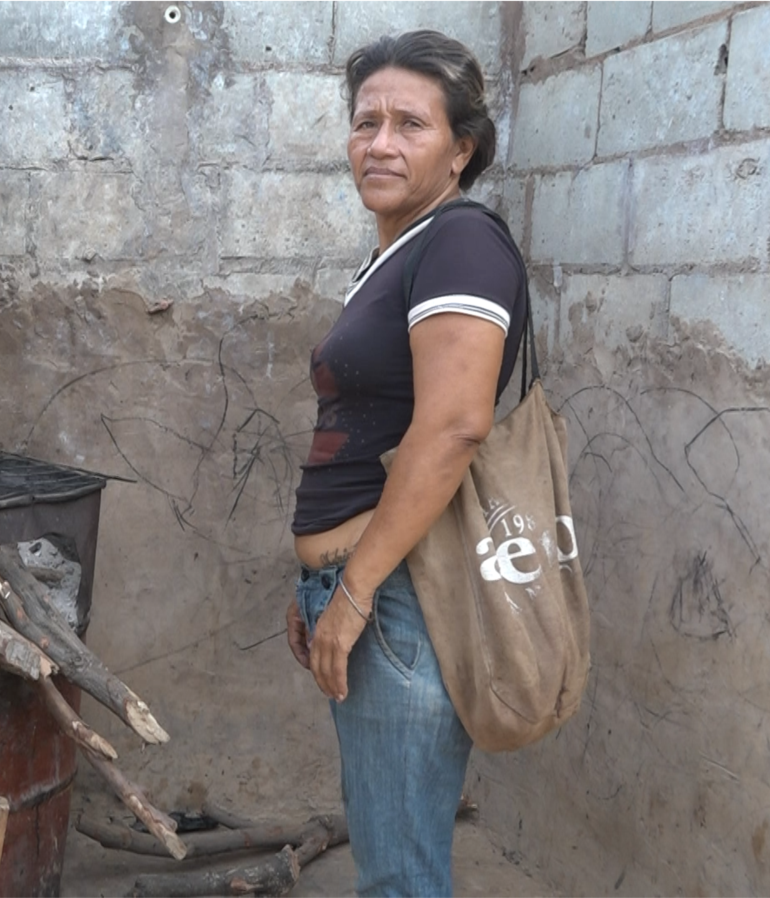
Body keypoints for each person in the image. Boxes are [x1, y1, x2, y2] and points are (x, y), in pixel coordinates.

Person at [284, 30, 529, 897]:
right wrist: (319, 583)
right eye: (365, 122)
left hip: (397, 599)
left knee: (398, 877)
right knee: (391, 850)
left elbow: (455, 427)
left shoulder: (460, 244)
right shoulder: (400, 251)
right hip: (370, 588)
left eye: (409, 125)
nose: (379, 142)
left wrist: (351, 593)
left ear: (461, 149)